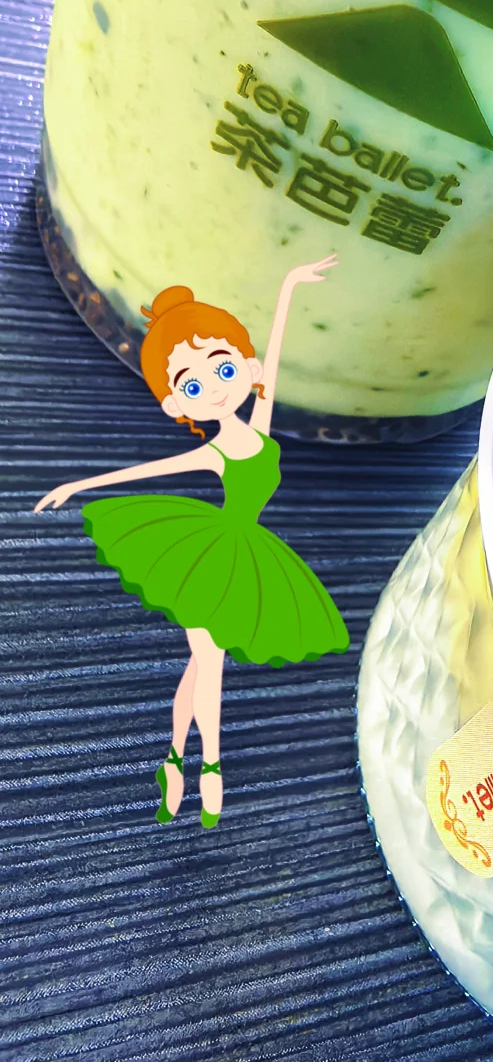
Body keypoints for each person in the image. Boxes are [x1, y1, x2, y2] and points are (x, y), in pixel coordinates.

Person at [34, 256, 349, 829]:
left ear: (247, 368)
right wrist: (76, 484)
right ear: (177, 404)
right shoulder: (215, 450)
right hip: (210, 557)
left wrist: (287, 287)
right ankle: (212, 769)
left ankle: (175, 760)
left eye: (223, 369)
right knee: (212, 666)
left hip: (247, 557)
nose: (216, 389)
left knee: (199, 669)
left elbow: (275, 353)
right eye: (194, 384)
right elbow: (147, 472)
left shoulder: (260, 430)